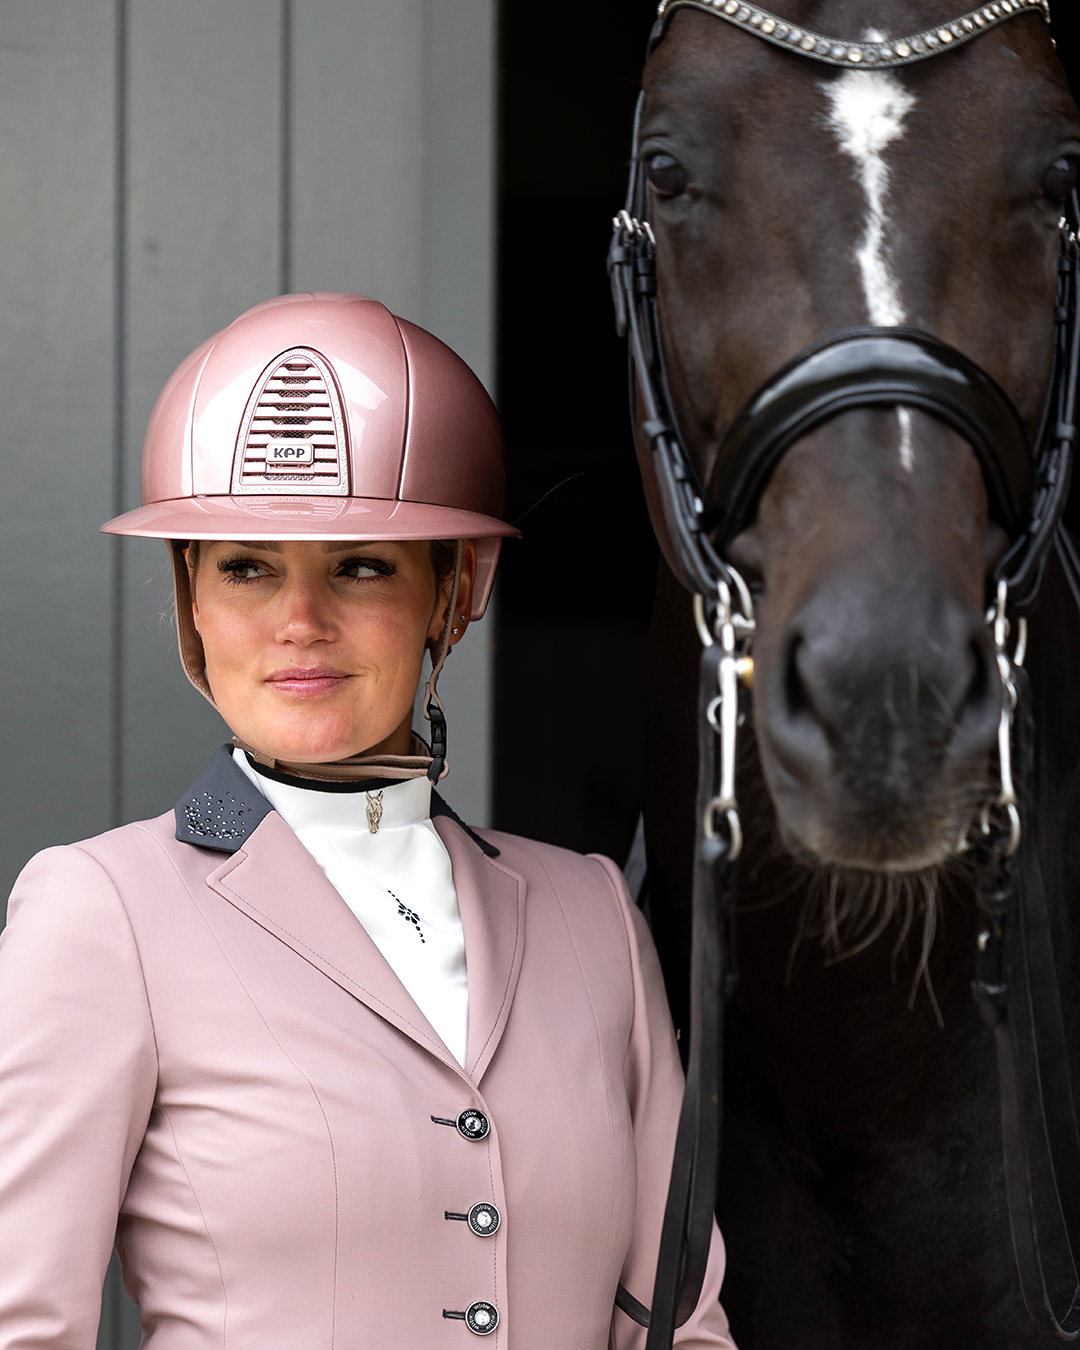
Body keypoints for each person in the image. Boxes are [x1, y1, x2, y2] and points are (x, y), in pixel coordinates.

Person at [0, 293, 735, 1349]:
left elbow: (684, 1327)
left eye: (361, 565)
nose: (301, 622)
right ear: (191, 599)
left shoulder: (594, 919)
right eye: (247, 568)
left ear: (453, 590)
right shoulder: (101, 913)